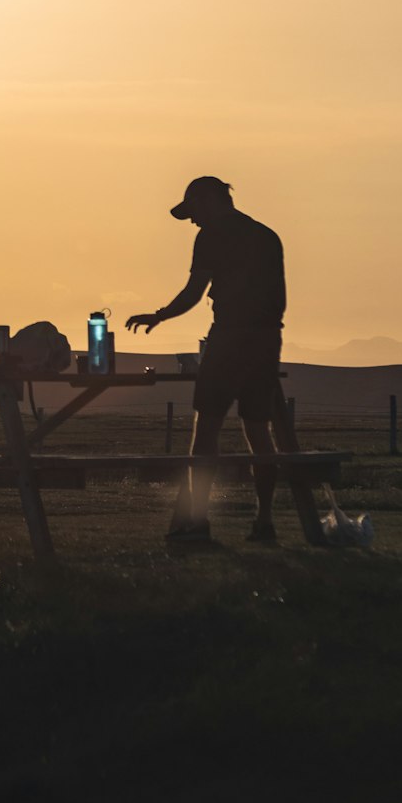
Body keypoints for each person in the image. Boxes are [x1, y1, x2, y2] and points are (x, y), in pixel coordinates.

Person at [125, 177, 286, 544]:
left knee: (207, 430)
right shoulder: (266, 235)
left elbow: (195, 292)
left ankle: (197, 521)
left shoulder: (213, 235)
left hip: (229, 336)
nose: (192, 221)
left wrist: (159, 316)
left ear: (208, 200)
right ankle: (265, 521)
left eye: (193, 211)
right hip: (267, 339)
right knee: (259, 431)